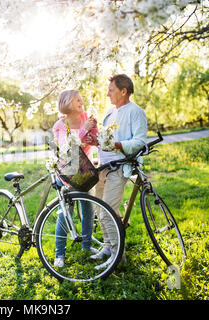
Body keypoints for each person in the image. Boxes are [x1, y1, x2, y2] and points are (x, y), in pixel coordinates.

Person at [85, 74, 147, 269]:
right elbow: (106, 142)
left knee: (108, 211)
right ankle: (109, 245)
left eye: (111, 90)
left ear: (123, 91)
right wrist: (95, 141)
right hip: (103, 168)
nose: (107, 94)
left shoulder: (136, 112)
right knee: (99, 209)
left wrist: (118, 144)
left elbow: (139, 142)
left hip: (120, 167)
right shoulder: (110, 113)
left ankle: (117, 255)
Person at [52, 89, 99, 267]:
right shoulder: (60, 125)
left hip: (85, 172)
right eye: (77, 100)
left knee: (88, 210)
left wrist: (94, 131)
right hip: (69, 174)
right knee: (66, 214)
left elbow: (93, 141)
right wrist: (84, 130)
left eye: (81, 99)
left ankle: (87, 246)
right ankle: (60, 254)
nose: (81, 102)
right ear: (67, 104)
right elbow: (67, 150)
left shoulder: (85, 117)